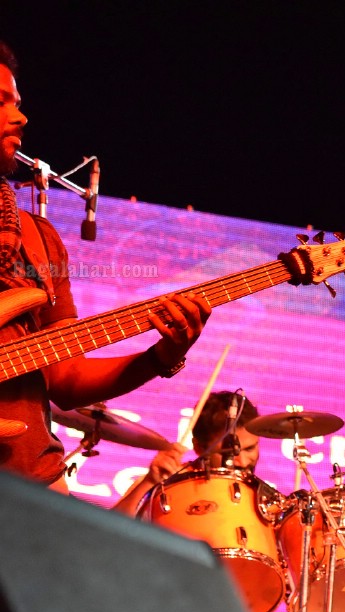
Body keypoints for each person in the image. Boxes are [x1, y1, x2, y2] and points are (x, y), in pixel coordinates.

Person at [0, 39, 210, 489]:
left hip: (33, 486)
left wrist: (161, 355)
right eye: (2, 102)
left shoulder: (39, 239)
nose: (21, 118)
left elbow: (65, 376)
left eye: (19, 104)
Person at [111, 391, 261, 515]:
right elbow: (111, 533)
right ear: (199, 448)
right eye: (228, 453)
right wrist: (150, 482)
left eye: (249, 449)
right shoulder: (167, 483)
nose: (242, 461)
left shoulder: (264, 498)